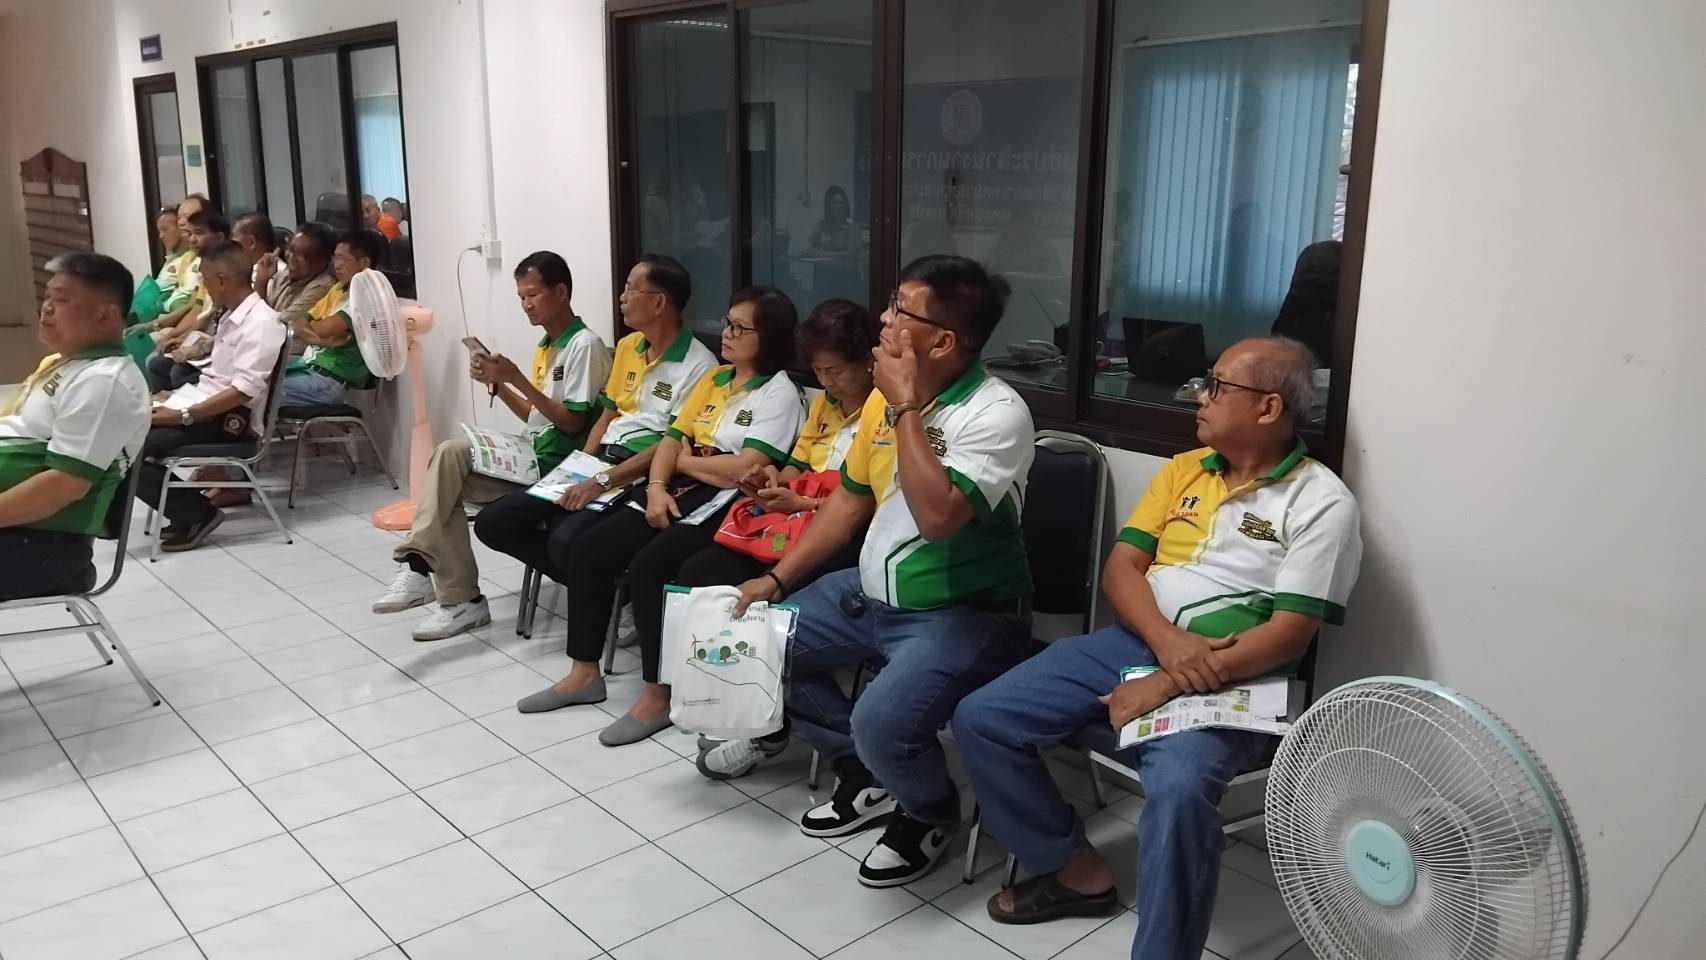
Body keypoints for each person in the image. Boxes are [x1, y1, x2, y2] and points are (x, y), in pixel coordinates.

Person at [951, 337, 1363, 960]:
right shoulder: (1185, 469)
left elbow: (1289, 634)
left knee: (1179, 788)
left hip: (1239, 680)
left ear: (1269, 408)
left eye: (1218, 386)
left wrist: (1170, 679)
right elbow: (1121, 569)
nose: (1201, 397)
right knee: (983, 718)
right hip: (1135, 641)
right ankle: (1073, 869)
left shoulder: (1321, 502)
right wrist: (1168, 646)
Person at [703, 255, 1036, 888]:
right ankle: (867, 772)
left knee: (881, 720)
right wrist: (777, 581)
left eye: (900, 310)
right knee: (758, 642)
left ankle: (928, 812)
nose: (883, 319)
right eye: (890, 303)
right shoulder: (886, 400)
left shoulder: (996, 412)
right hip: (871, 594)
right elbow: (850, 502)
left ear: (942, 341)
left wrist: (906, 406)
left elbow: (937, 517)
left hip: (966, 611)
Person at [514, 286, 805, 746]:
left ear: (767, 338)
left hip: (725, 500)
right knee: (590, 548)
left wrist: (686, 462)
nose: (727, 334)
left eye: (739, 328)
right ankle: (584, 673)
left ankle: (657, 693)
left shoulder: (779, 393)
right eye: (727, 323)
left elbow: (744, 467)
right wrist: (654, 488)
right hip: (672, 485)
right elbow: (670, 440)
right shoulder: (717, 379)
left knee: (651, 566)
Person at [370, 251, 612, 641]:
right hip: (530, 452)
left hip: (557, 466)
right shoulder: (548, 345)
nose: (526, 305)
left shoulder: (584, 345)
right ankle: (439, 583)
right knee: (448, 459)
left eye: (533, 294)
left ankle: (439, 583)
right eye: (521, 297)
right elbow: (535, 414)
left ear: (561, 292)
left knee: (446, 471)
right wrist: (498, 385)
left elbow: (573, 422)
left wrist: (516, 378)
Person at [471, 253, 718, 603]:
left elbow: (671, 444)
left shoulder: (700, 365)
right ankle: (608, 595)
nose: (622, 298)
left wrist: (601, 480)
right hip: (598, 460)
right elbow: (606, 415)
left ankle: (607, 595)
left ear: (659, 302)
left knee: (565, 539)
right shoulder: (629, 346)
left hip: (637, 471)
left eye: (631, 290)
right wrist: (582, 465)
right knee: (492, 523)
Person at [0, 254, 150, 601]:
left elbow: (64, 486)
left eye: (62, 300)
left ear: (105, 315)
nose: (47, 308)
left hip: (43, 543)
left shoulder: (105, 382)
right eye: (47, 296)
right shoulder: (65, 364)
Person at [133, 241, 286, 551]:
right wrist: (172, 398)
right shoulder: (231, 317)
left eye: (204, 278)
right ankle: (189, 512)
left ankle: (195, 514)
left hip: (230, 422)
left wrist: (182, 414)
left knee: (128, 447)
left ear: (221, 280)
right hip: (204, 408)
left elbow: (242, 391)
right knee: (126, 435)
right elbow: (216, 379)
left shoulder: (261, 323)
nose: (203, 287)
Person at [277, 229, 383, 408]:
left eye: (343, 259)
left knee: (258, 393)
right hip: (309, 367)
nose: (336, 265)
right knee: (257, 377)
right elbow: (298, 322)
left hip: (328, 382)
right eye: (335, 258)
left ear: (364, 263)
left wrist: (313, 329)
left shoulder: (365, 298)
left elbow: (322, 329)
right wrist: (319, 340)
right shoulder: (338, 289)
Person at [144, 207, 230, 392]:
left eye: (199, 233)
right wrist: (180, 338)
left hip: (219, 340)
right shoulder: (201, 265)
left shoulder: (230, 269)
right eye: (190, 234)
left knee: (178, 370)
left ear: (220, 237)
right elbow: (200, 312)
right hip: (206, 335)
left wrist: (190, 343)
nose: (192, 239)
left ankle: (185, 407)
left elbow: (221, 320)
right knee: (157, 362)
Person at [255, 221, 336, 340]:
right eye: (291, 249)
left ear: (323, 261)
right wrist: (262, 279)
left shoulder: (323, 285)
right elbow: (256, 316)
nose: (291, 258)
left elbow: (277, 324)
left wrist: (261, 283)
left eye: (303, 255)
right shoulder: (285, 274)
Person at [806, 185, 855, 255]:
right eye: (834, 202)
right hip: (822, 262)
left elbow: (851, 254)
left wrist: (823, 254)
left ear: (846, 205)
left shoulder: (852, 226)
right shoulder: (823, 224)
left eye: (840, 202)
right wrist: (808, 251)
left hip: (841, 262)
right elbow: (812, 246)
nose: (838, 206)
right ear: (828, 206)